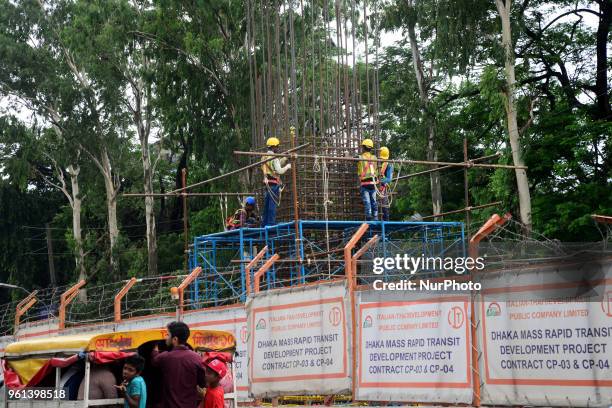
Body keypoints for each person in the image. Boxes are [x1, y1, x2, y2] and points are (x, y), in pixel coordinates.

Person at [152, 321, 205, 408]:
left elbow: (154, 360)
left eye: (168, 334)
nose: (166, 337)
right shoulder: (197, 358)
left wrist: (155, 350)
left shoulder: (165, 357)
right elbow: (203, 383)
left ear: (175, 339)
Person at [262, 137, 291, 227]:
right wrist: (287, 166)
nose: (278, 149)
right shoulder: (274, 158)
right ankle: (271, 224)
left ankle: (264, 224)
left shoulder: (264, 157)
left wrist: (285, 158)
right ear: (274, 147)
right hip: (274, 184)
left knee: (267, 206)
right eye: (277, 147)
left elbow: (276, 165)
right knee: (272, 206)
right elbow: (279, 170)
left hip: (267, 184)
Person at [357, 138, 379, 221]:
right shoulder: (375, 157)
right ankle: (376, 217)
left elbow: (351, 158)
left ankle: (369, 217)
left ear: (363, 147)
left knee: (367, 202)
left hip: (365, 184)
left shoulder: (360, 157)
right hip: (373, 183)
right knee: (374, 201)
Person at [378, 146, 393, 221]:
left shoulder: (388, 165)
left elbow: (389, 179)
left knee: (384, 207)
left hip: (382, 188)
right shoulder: (375, 162)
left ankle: (386, 224)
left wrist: (380, 181)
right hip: (374, 187)